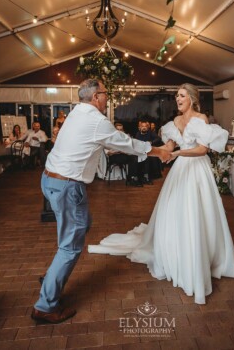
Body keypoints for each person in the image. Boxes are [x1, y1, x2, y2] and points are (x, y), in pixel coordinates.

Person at [88, 83, 234, 304]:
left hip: (198, 170)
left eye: (181, 96)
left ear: (192, 98)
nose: (178, 99)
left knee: (199, 213)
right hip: (180, 171)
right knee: (175, 212)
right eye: (176, 96)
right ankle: (178, 253)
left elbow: (202, 149)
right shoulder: (173, 124)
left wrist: (178, 152)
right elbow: (169, 149)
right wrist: (152, 153)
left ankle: (200, 256)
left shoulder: (201, 119)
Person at [31, 79, 170, 324]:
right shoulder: (96, 120)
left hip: (50, 179)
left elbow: (89, 143)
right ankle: (45, 305)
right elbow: (126, 143)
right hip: (67, 186)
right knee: (70, 245)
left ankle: (54, 276)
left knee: (80, 226)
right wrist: (158, 151)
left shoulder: (76, 113)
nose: (108, 98)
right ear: (96, 96)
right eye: (106, 94)